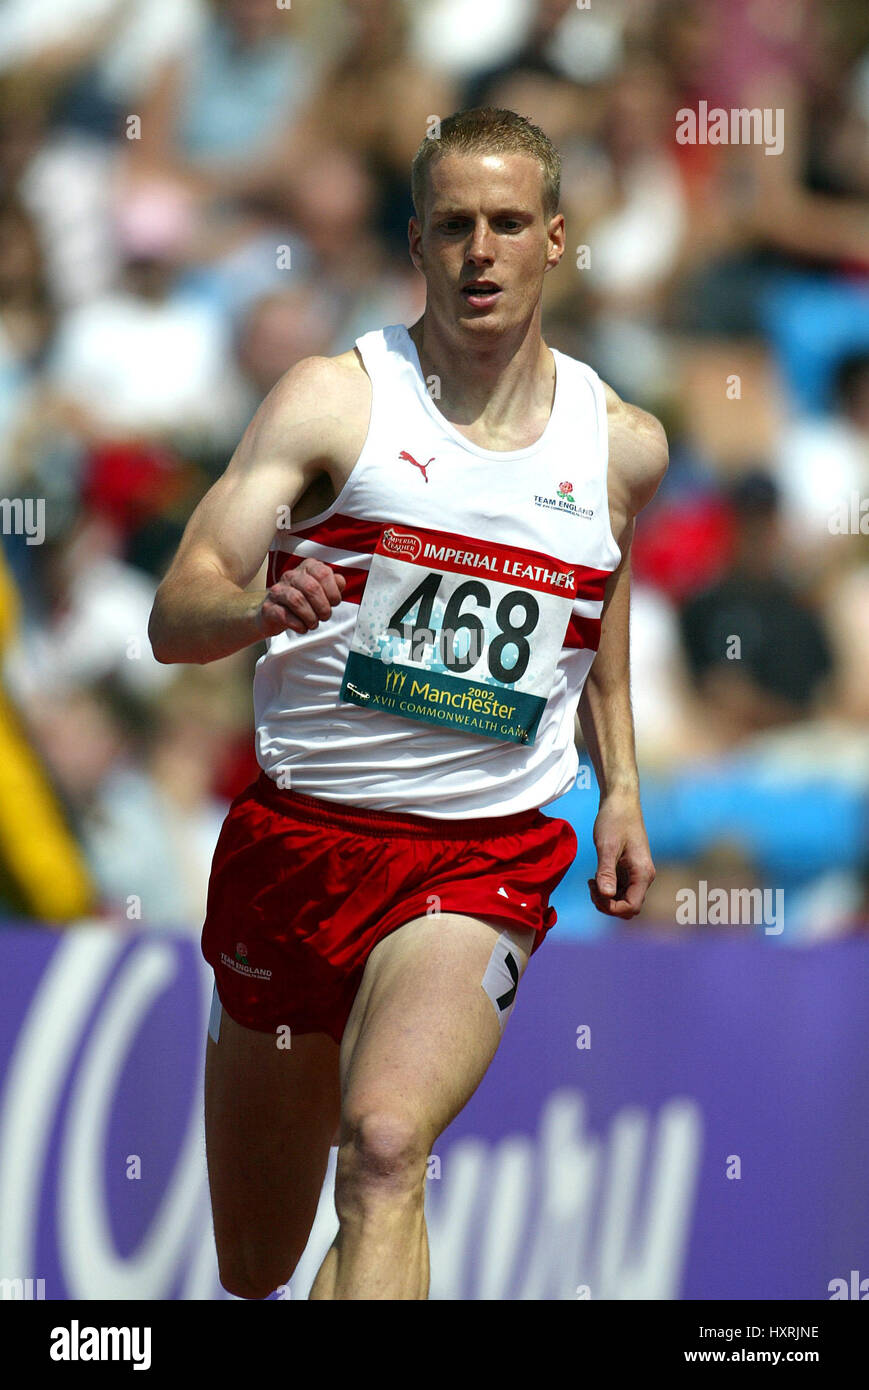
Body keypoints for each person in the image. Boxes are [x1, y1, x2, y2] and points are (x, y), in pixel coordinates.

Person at [148, 107, 668, 1301]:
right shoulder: (334, 403)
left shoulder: (620, 445)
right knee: (252, 1263)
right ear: (416, 245)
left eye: (503, 225)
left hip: (476, 855)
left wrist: (624, 787)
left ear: (554, 239)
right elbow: (174, 615)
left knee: (385, 1148)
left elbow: (600, 592)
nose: (478, 251)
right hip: (299, 847)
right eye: (450, 227)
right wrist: (258, 608)